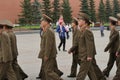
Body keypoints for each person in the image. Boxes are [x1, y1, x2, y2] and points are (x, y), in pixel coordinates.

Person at [69, 13, 98, 80]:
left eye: (80, 20)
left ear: (84, 21)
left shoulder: (87, 31)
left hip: (85, 56)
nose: (78, 21)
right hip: (83, 55)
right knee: (91, 73)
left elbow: (89, 44)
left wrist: (89, 56)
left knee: (81, 75)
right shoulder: (82, 30)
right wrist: (72, 49)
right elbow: (78, 43)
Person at [38, 14, 63, 80]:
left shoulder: (49, 31)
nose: (41, 22)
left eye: (42, 21)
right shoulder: (46, 30)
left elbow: (48, 45)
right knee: (47, 70)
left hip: (49, 55)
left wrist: (46, 55)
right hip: (47, 54)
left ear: (46, 22)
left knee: (48, 71)